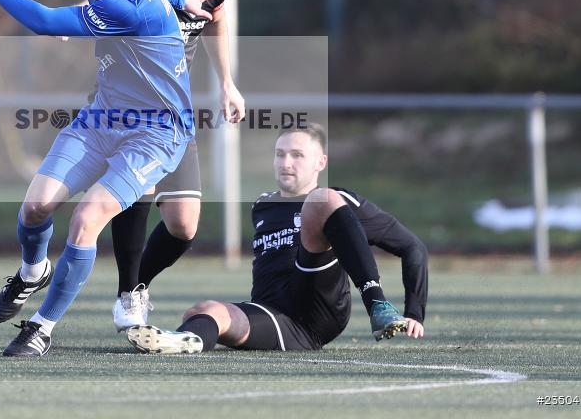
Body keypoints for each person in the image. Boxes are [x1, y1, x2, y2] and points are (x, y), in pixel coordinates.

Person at [0, 0, 224, 357]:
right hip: (100, 121)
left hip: (155, 135)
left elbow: (41, 21)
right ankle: (33, 271)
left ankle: (41, 327)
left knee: (85, 219)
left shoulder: (125, 4)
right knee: (36, 205)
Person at [127, 125, 428, 354]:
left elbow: (412, 247)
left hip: (318, 311)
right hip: (274, 317)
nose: (286, 163)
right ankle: (184, 344)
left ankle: (377, 305)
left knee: (320, 201)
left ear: (320, 163)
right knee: (203, 311)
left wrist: (414, 312)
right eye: (280, 154)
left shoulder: (336, 201)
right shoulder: (263, 205)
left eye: (297, 156)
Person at [109, 0, 246, 332]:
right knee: (138, 195)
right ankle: (127, 293)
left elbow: (217, 20)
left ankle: (139, 284)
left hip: (175, 111)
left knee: (184, 226)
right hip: (129, 108)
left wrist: (227, 83)